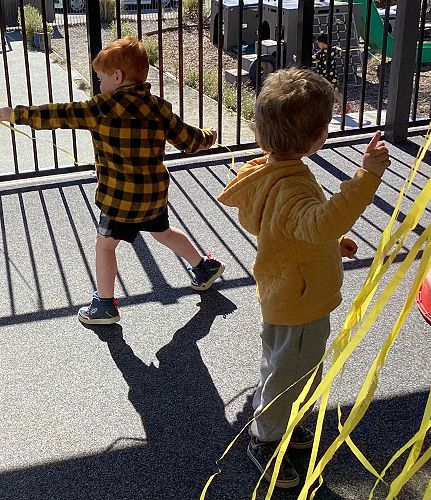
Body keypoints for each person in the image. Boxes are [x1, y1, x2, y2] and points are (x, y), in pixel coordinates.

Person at [218, 67, 390, 488]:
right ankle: (266, 439)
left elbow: (297, 228)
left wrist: (331, 244)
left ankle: (281, 424)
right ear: (317, 138)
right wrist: (367, 176)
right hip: (298, 301)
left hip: (289, 290)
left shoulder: (275, 171)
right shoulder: (291, 184)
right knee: (288, 374)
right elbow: (320, 221)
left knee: (290, 369)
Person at [0, 37, 225, 325]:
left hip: (118, 199)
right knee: (164, 232)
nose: (98, 85)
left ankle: (105, 305)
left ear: (117, 76)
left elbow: (58, 115)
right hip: (153, 196)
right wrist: (210, 136)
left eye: (100, 78)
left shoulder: (100, 108)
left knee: (105, 246)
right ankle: (204, 267)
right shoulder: (159, 108)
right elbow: (189, 140)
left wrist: (15, 114)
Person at [313, 31, 351, 115]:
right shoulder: (333, 50)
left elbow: (311, 59)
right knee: (334, 92)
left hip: (323, 77)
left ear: (321, 43)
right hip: (332, 75)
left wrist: (297, 59)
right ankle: (344, 104)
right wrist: (339, 50)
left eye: (318, 43)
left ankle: (339, 106)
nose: (318, 45)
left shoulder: (320, 54)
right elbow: (339, 50)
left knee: (327, 93)